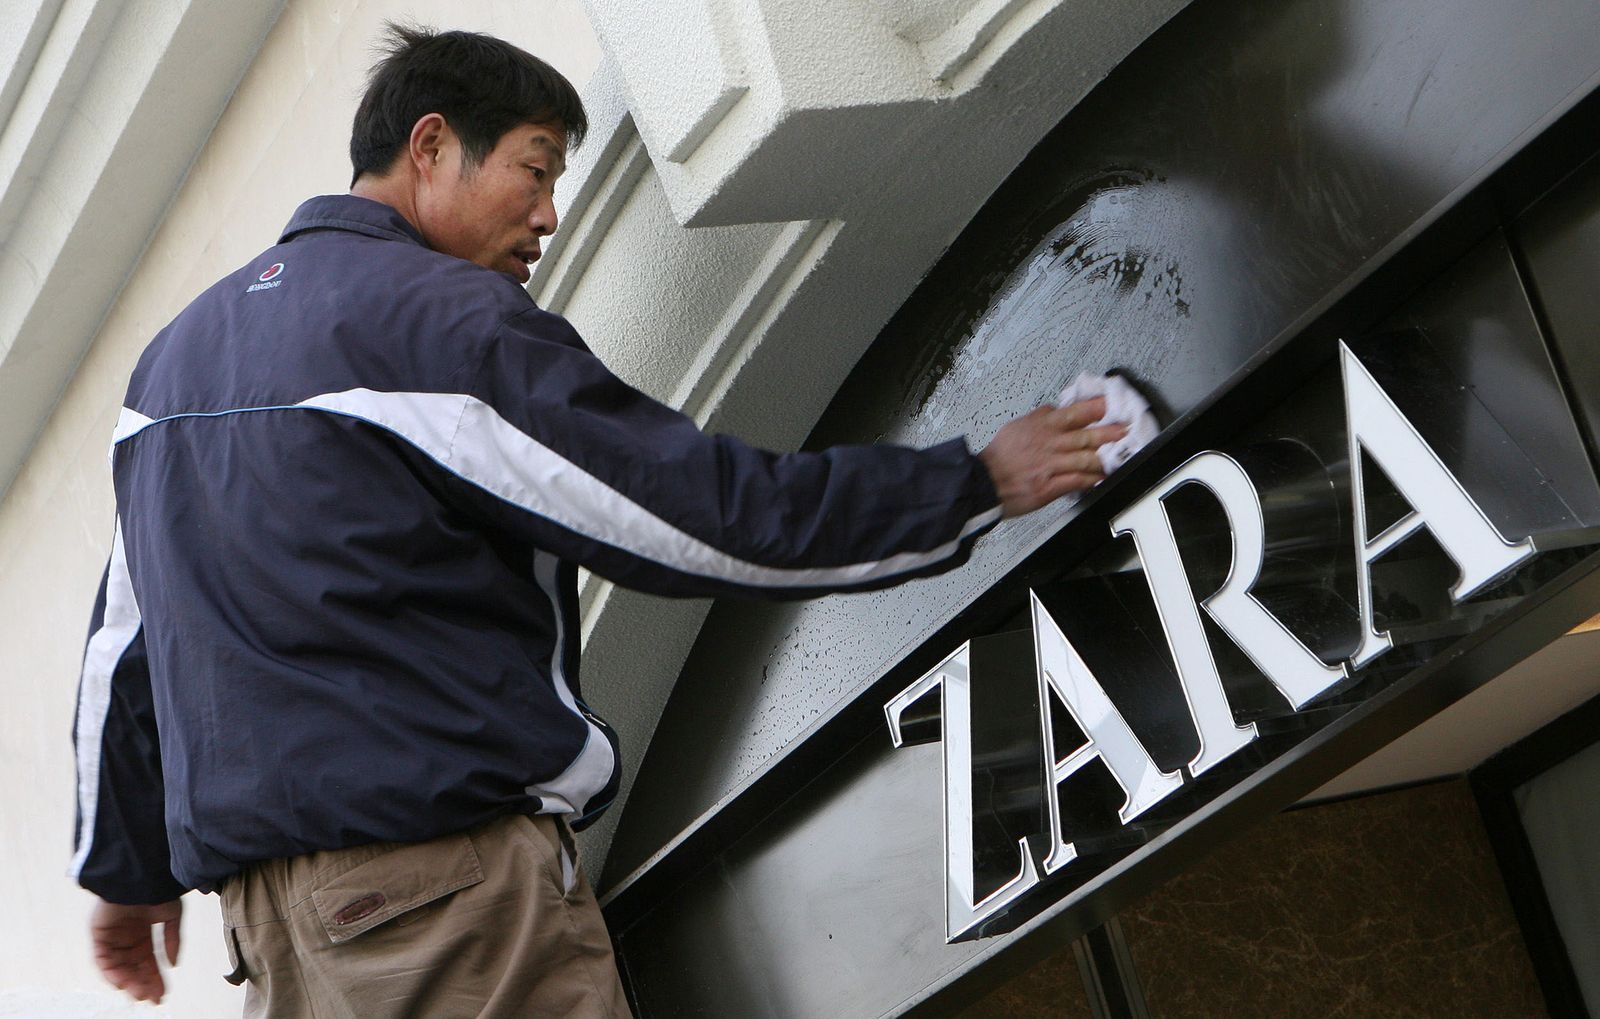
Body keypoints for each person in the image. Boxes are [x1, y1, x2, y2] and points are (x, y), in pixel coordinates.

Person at [72, 24, 1126, 1019]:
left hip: (277, 945)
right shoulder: (436, 323)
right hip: (446, 907)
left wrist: (124, 869)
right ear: (430, 147)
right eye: (533, 171)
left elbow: (124, 652)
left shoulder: (168, 368)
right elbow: (698, 514)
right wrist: (973, 482)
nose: (547, 216)